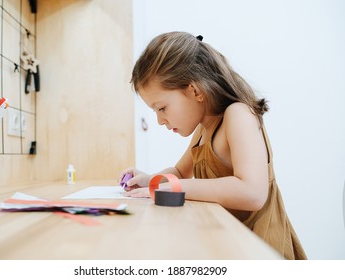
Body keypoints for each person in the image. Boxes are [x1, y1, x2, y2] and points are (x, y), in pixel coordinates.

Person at [121, 31, 307, 260]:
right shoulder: (204, 129)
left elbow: (253, 192)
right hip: (229, 244)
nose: (160, 120)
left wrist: (177, 188)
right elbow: (180, 173)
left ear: (195, 91)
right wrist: (151, 180)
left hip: (261, 250)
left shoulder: (238, 114)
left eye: (162, 108)